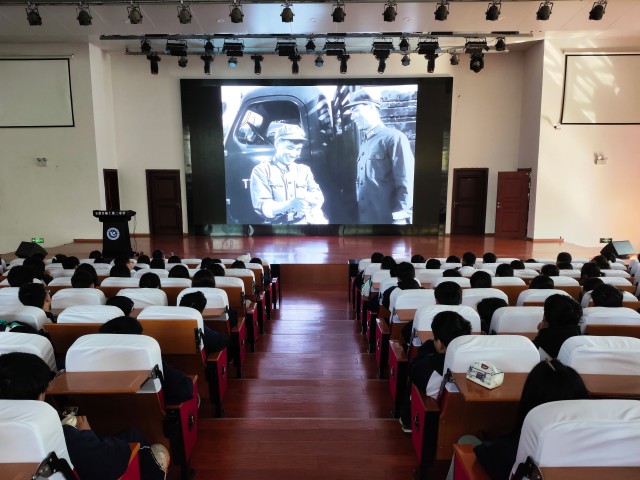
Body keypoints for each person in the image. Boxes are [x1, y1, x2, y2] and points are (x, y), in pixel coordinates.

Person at [0, 351, 169, 480]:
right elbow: (109, 460)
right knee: (134, 437)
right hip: (94, 464)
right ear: (40, 395)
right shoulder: (58, 434)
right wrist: (86, 434)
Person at [450, 359, 589, 480]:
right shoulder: (592, 450)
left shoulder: (514, 452)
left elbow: (488, 456)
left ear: (529, 399)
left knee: (466, 440)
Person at [345, 89, 414, 224]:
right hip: (366, 220)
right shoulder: (365, 141)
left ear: (371, 107)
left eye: (355, 110)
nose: (352, 117)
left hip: (388, 222)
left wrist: (400, 218)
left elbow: (406, 182)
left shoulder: (394, 138)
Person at [399, 311, 472, 432]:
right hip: (465, 420)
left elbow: (412, 369)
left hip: (436, 423)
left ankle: (407, 423)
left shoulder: (429, 367)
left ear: (438, 343)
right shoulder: (475, 359)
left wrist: (427, 347)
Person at [249, 123, 325, 224]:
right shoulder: (261, 171)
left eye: (298, 149)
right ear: (277, 145)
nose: (294, 154)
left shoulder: (304, 170)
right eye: (289, 148)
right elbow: (264, 208)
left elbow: (318, 196)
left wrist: (309, 201)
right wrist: (291, 204)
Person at [533, 294, 583, 358]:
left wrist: (540, 333)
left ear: (547, 317)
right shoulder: (578, 338)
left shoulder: (542, 344)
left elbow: (536, 347)